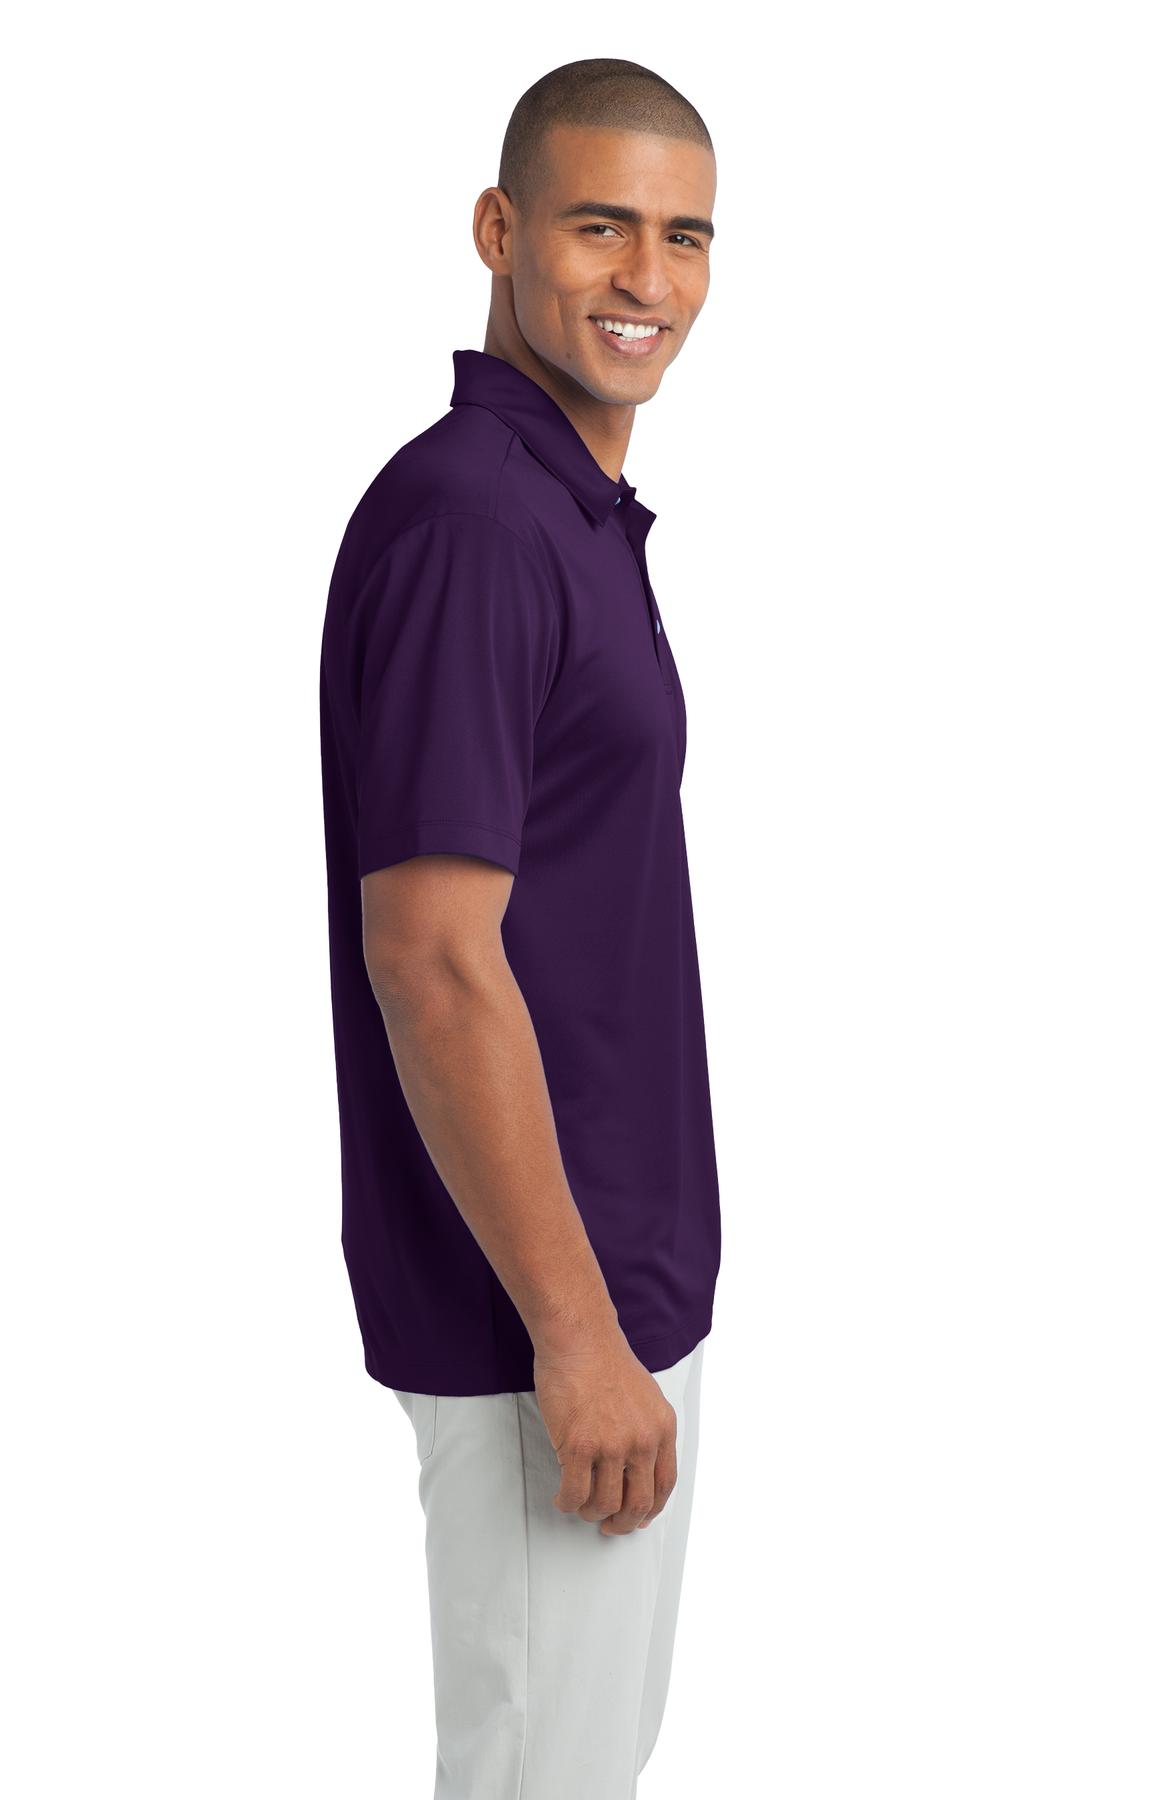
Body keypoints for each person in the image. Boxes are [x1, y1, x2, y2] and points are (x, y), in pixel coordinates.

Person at [318, 57, 722, 1800]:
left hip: (612, 1294)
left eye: (685, 237)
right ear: (499, 230)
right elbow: (429, 959)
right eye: (599, 226)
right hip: (544, 1323)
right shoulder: (477, 523)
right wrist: (575, 1334)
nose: (647, 278)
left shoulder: (561, 509)